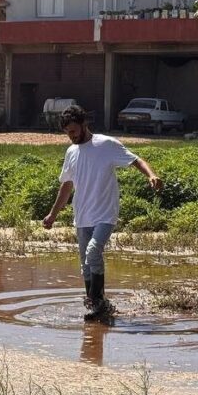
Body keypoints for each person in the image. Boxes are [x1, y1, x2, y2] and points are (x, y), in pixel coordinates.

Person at [42, 105, 162, 320]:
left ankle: (97, 302)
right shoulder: (71, 152)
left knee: (93, 251)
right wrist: (53, 215)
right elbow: (66, 186)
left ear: (84, 124)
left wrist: (151, 176)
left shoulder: (106, 144)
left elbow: (136, 160)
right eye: (67, 133)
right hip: (82, 215)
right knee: (85, 266)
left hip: (105, 213)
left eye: (73, 131)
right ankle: (97, 305)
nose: (71, 136)